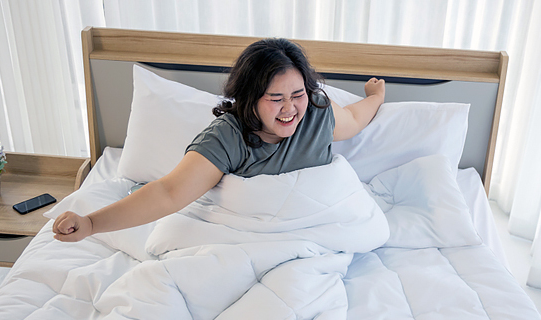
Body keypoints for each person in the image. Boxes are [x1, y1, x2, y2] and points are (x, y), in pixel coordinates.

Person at [53, 38, 385, 242]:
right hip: (246, 240)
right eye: (275, 98)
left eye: (297, 94)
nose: (289, 109)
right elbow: (169, 192)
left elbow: (354, 119)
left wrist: (376, 96)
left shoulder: (316, 112)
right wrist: (91, 223)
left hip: (316, 237)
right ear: (250, 98)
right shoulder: (228, 136)